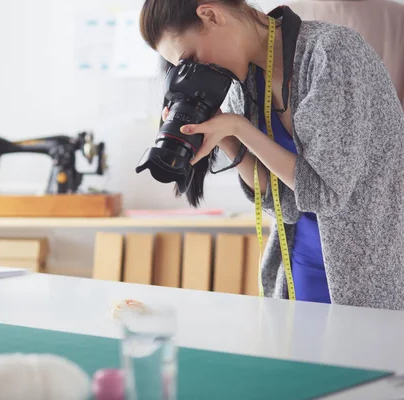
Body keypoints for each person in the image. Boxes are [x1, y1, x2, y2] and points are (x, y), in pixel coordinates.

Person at [139, 0, 404, 309]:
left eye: (191, 58)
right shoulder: (244, 83)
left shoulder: (331, 52)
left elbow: (324, 193)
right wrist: (223, 137)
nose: (197, 72)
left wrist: (239, 128)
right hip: (300, 260)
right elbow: (284, 202)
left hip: (371, 270)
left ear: (210, 15)